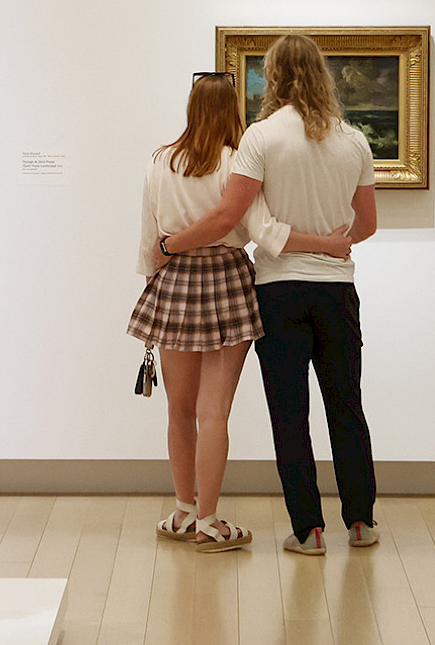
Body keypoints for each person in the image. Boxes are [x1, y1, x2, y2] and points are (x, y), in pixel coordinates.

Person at [157, 36, 380, 555]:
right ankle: (362, 521)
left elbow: (250, 224)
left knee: (290, 412)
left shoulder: (260, 138)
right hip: (337, 291)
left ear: (273, 76)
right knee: (346, 406)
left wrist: (166, 248)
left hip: (278, 290)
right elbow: (366, 224)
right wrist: (332, 242)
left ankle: (309, 530)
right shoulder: (354, 139)